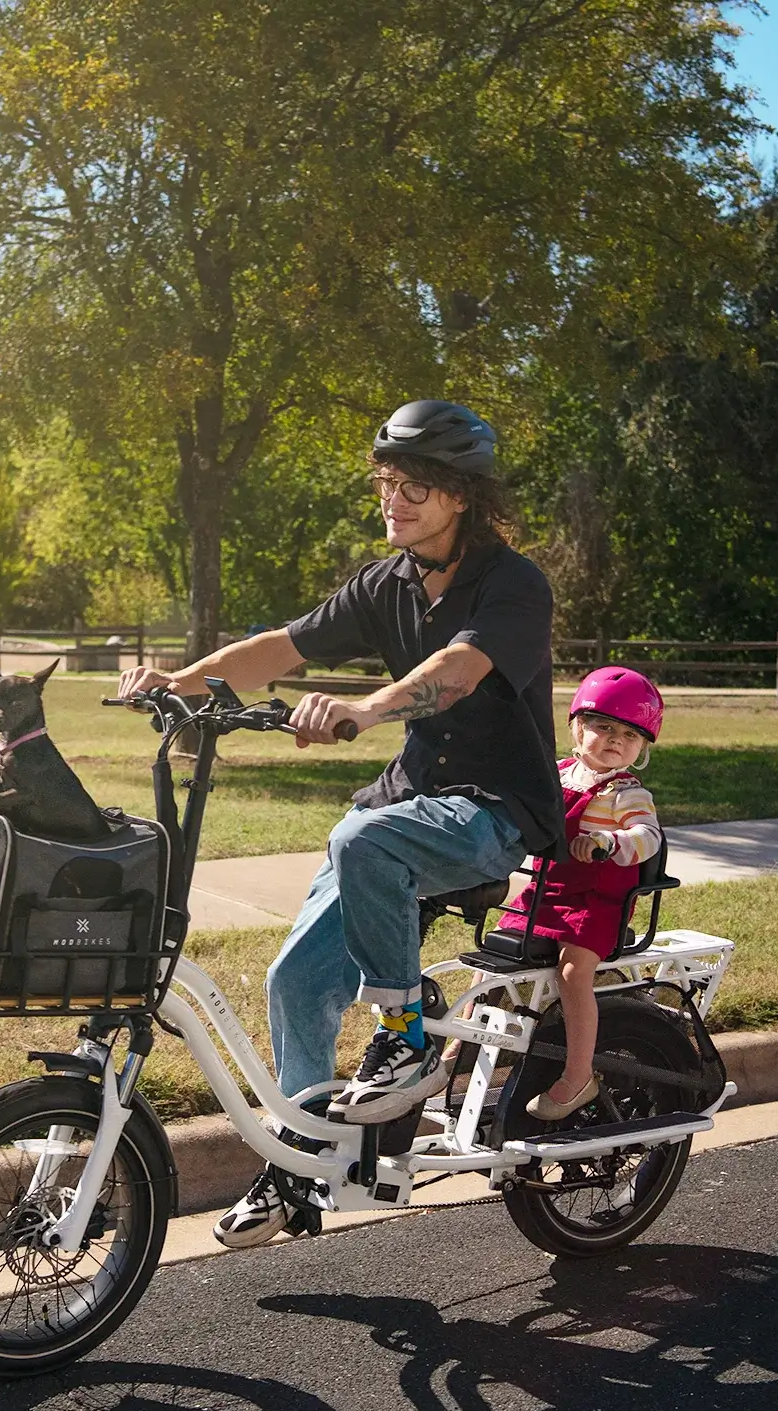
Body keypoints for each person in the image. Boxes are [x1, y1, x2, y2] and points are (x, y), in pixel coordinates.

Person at [117, 399, 564, 1247]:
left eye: (417, 487)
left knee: (364, 838)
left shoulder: (513, 585)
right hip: (410, 800)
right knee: (296, 980)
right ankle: (300, 1168)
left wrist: (368, 707)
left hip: (498, 810)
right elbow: (278, 647)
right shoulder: (384, 582)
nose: (394, 500)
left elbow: (457, 670)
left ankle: (404, 1039)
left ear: (462, 495)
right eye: (387, 482)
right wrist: (180, 681)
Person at [496, 667, 664, 1119]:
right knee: (491, 960)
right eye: (604, 726)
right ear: (576, 726)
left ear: (642, 748)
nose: (614, 740)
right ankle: (461, 1048)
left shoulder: (627, 793)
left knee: (573, 974)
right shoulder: (557, 775)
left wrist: (610, 843)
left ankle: (578, 1076)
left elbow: (648, 837)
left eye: (629, 734)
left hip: (598, 905)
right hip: (545, 893)